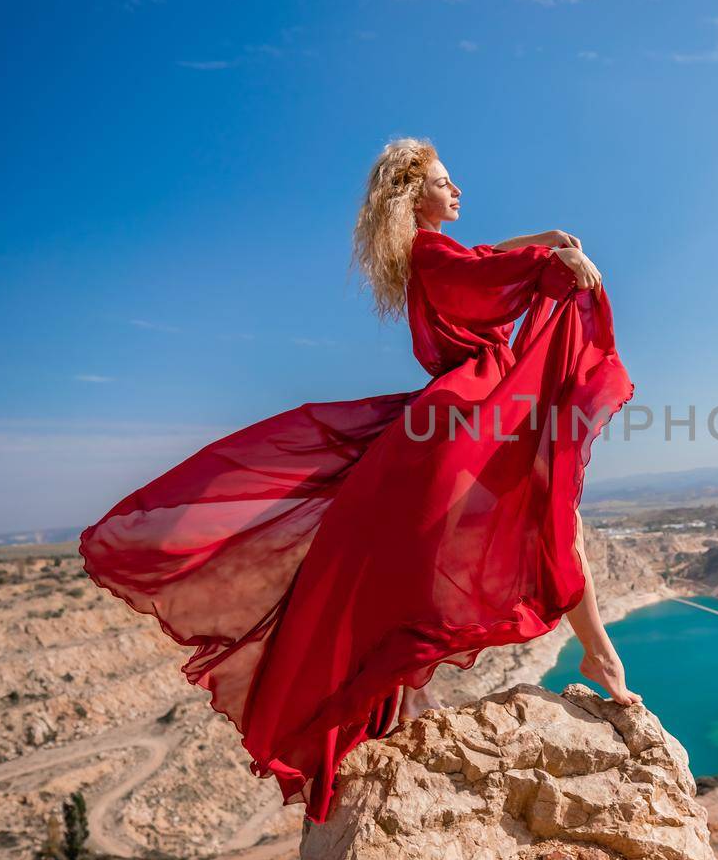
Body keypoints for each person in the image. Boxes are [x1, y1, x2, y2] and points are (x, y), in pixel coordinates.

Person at [78, 137, 639, 824]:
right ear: (413, 194)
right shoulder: (434, 255)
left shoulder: (431, 252)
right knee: (547, 522)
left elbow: (488, 259)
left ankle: (547, 665)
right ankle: (598, 658)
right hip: (466, 417)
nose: (458, 189)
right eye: (444, 181)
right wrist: (559, 258)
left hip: (462, 414)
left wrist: (548, 239)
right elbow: (497, 275)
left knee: (541, 526)